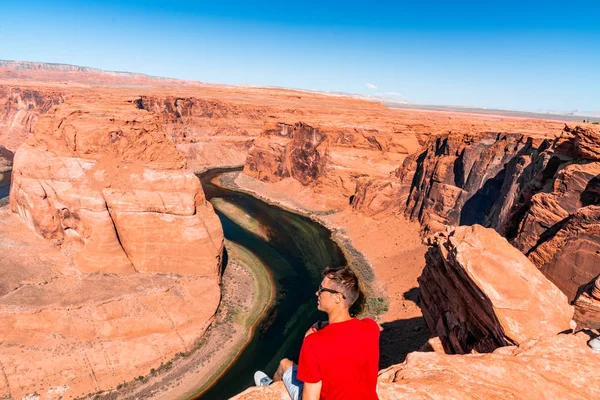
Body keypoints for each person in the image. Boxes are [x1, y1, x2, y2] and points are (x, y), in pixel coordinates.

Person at [254, 266, 380, 400]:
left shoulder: (314, 343)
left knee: (284, 364)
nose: (317, 293)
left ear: (337, 298)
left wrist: (311, 336)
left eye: (322, 290)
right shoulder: (371, 327)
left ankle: (270, 389)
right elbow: (348, 326)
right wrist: (321, 325)